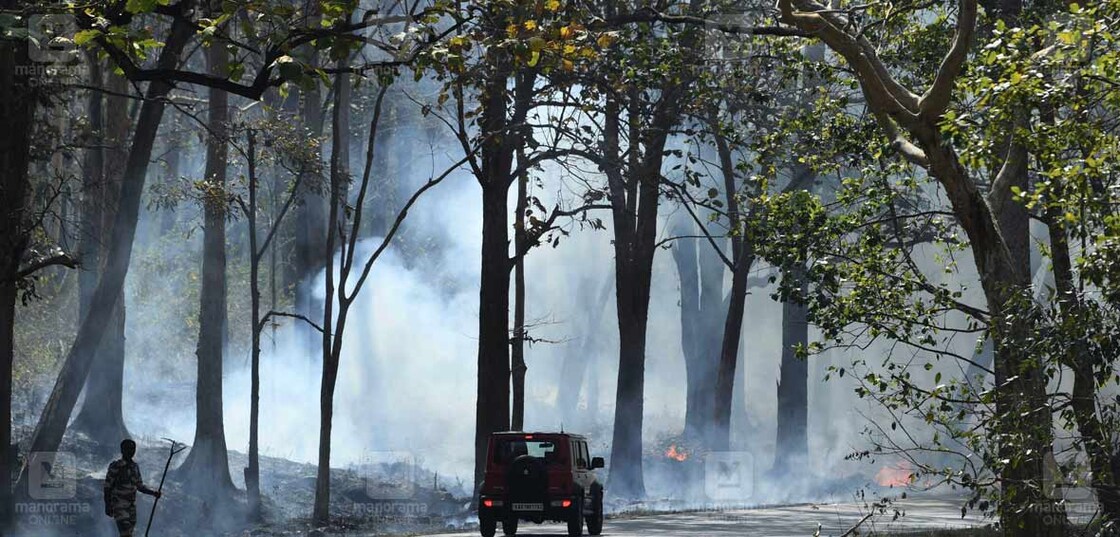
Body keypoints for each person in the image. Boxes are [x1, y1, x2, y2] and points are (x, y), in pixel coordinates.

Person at [104, 439, 161, 537]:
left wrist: (153, 493)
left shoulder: (135, 467)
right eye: (128, 449)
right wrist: (108, 505)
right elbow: (107, 486)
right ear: (122, 450)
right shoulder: (116, 466)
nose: (131, 451)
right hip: (119, 506)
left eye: (133, 449)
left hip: (131, 507)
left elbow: (140, 486)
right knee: (126, 533)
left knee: (129, 533)